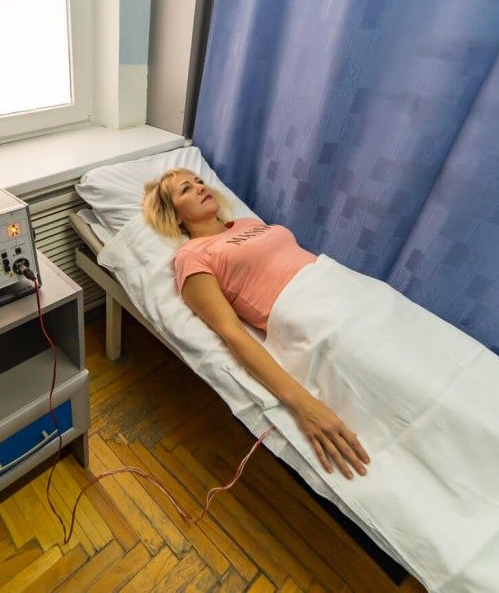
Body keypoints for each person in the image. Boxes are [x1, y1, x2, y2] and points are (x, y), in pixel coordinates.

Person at [142, 168, 370, 480]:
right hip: (313, 311)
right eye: (186, 189)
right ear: (174, 215)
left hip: (346, 287)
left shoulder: (248, 224)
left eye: (199, 181)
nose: (200, 187)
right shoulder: (191, 256)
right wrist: (303, 404)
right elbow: (232, 332)